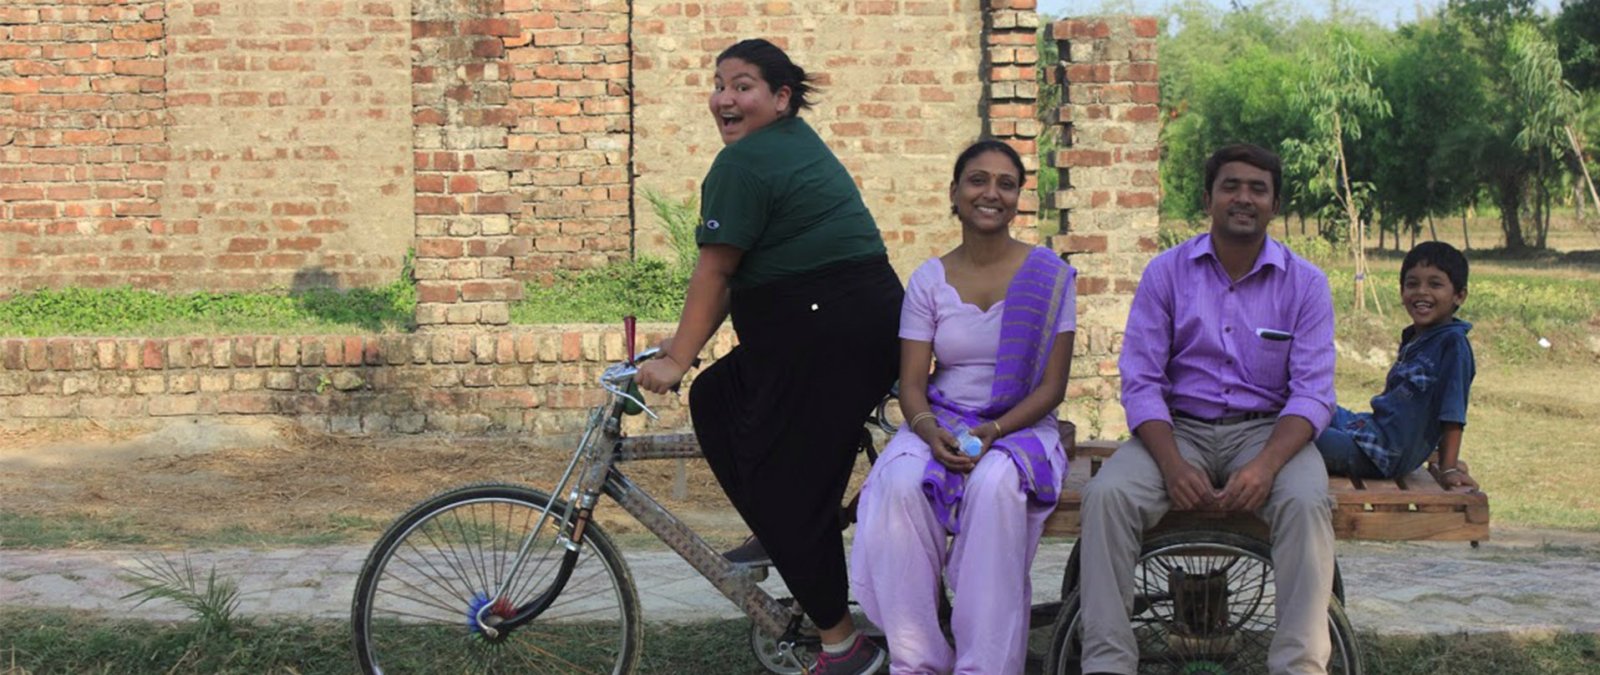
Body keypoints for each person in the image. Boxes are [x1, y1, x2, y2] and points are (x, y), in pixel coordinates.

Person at [635, 38, 902, 675]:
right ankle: (788, 534)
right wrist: (682, 346)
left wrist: (674, 364)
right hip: (849, 323)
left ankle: (843, 647)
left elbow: (718, 272)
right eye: (720, 83)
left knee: (764, 462)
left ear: (781, 98)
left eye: (745, 84)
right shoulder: (791, 144)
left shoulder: (744, 163)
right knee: (723, 398)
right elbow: (745, 271)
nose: (726, 98)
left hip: (825, 329)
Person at [1078, 143, 1338, 675]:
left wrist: (1266, 465)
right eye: (1231, 186)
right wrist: (1172, 464)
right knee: (1107, 497)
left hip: (1270, 434)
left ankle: (1300, 667)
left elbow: (1312, 393)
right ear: (1208, 198)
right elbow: (1143, 382)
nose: (1244, 198)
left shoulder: (1306, 283)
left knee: (1307, 504)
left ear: (1275, 203)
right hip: (1178, 432)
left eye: (1258, 189)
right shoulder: (1166, 274)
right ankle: (1106, 665)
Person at [850, 139, 1077, 675]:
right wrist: (930, 434)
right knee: (898, 487)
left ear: (1019, 197)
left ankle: (987, 665)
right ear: (954, 194)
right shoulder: (930, 279)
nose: (990, 193)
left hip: (1020, 423)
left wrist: (995, 430)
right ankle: (919, 660)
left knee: (996, 486)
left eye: (1006, 183)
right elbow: (912, 386)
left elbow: (1052, 387)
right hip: (941, 417)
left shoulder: (1050, 277)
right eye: (977, 180)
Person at [1316, 241, 1478, 488]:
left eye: (1435, 284)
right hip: (1369, 431)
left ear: (1459, 295)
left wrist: (1449, 467)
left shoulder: (1452, 345)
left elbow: (1452, 411)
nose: (1421, 292)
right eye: (1412, 284)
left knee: (1295, 436)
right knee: (1311, 404)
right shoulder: (1416, 338)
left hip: (1381, 457)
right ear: (1402, 291)